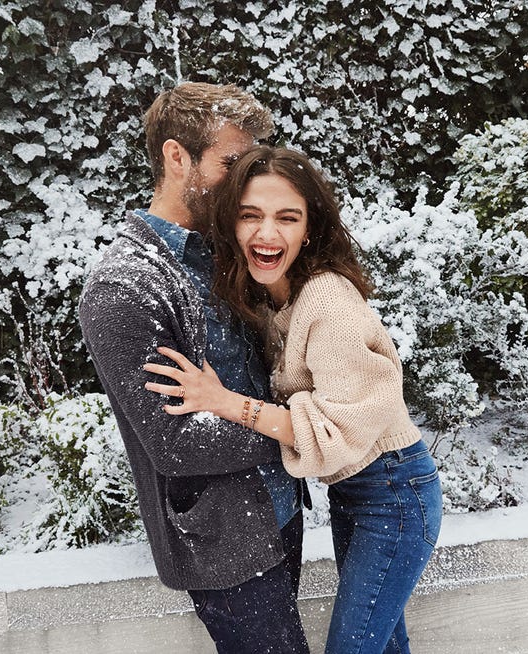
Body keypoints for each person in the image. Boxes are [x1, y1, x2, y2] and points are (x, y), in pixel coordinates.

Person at [142, 145, 443, 654]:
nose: (267, 233)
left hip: (395, 495)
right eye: (250, 215)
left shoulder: (327, 301)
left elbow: (339, 430)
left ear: (309, 229)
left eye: (287, 217)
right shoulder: (275, 298)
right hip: (358, 494)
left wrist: (223, 401)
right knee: (385, 646)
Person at [78, 84, 309, 654]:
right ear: (176, 157)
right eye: (231, 163)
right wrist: (300, 431)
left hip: (279, 513)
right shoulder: (123, 289)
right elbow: (178, 444)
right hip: (222, 539)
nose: (246, 180)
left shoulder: (226, 248)